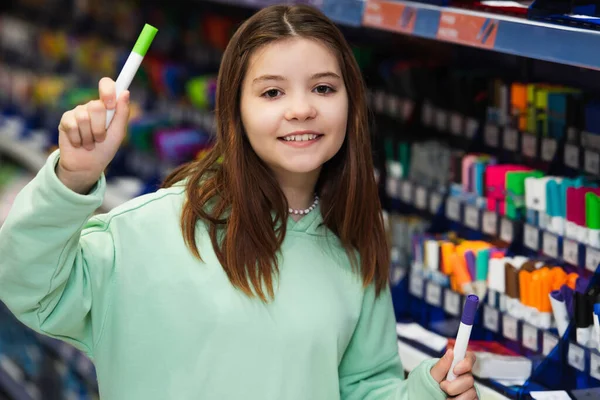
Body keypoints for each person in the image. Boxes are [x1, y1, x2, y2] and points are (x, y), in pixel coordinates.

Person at [0, 4, 478, 400]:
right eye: (272, 92)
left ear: (351, 105)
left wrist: (427, 391)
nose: (301, 108)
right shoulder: (151, 231)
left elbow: (362, 386)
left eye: (324, 88)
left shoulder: (353, 244)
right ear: (235, 112)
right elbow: (27, 283)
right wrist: (72, 178)